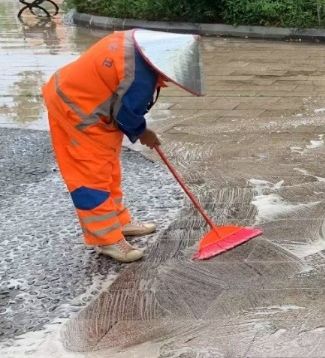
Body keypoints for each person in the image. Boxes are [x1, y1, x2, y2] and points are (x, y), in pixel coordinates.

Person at [42, 29, 205, 263]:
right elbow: (126, 116)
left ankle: (119, 221)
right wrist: (143, 132)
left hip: (88, 102)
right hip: (75, 111)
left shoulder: (134, 43)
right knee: (91, 177)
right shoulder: (140, 79)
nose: (171, 79)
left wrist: (140, 129)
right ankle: (106, 238)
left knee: (109, 170)